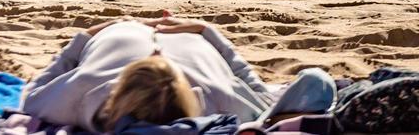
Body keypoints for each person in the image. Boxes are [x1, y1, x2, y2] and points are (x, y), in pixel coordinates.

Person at [21, 16, 337, 132]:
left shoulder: (82, 93)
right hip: (172, 37)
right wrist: (207, 30)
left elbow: (32, 94)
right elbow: (257, 87)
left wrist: (85, 36)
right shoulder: (225, 101)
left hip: (134, 33)